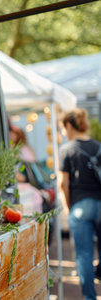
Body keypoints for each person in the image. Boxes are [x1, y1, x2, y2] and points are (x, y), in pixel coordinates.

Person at [58, 107, 101, 300]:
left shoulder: (66, 149)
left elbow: (62, 184)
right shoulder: (99, 146)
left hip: (80, 205)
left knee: (84, 255)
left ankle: (89, 297)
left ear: (68, 125)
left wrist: (68, 207)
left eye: (62, 128)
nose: (62, 132)